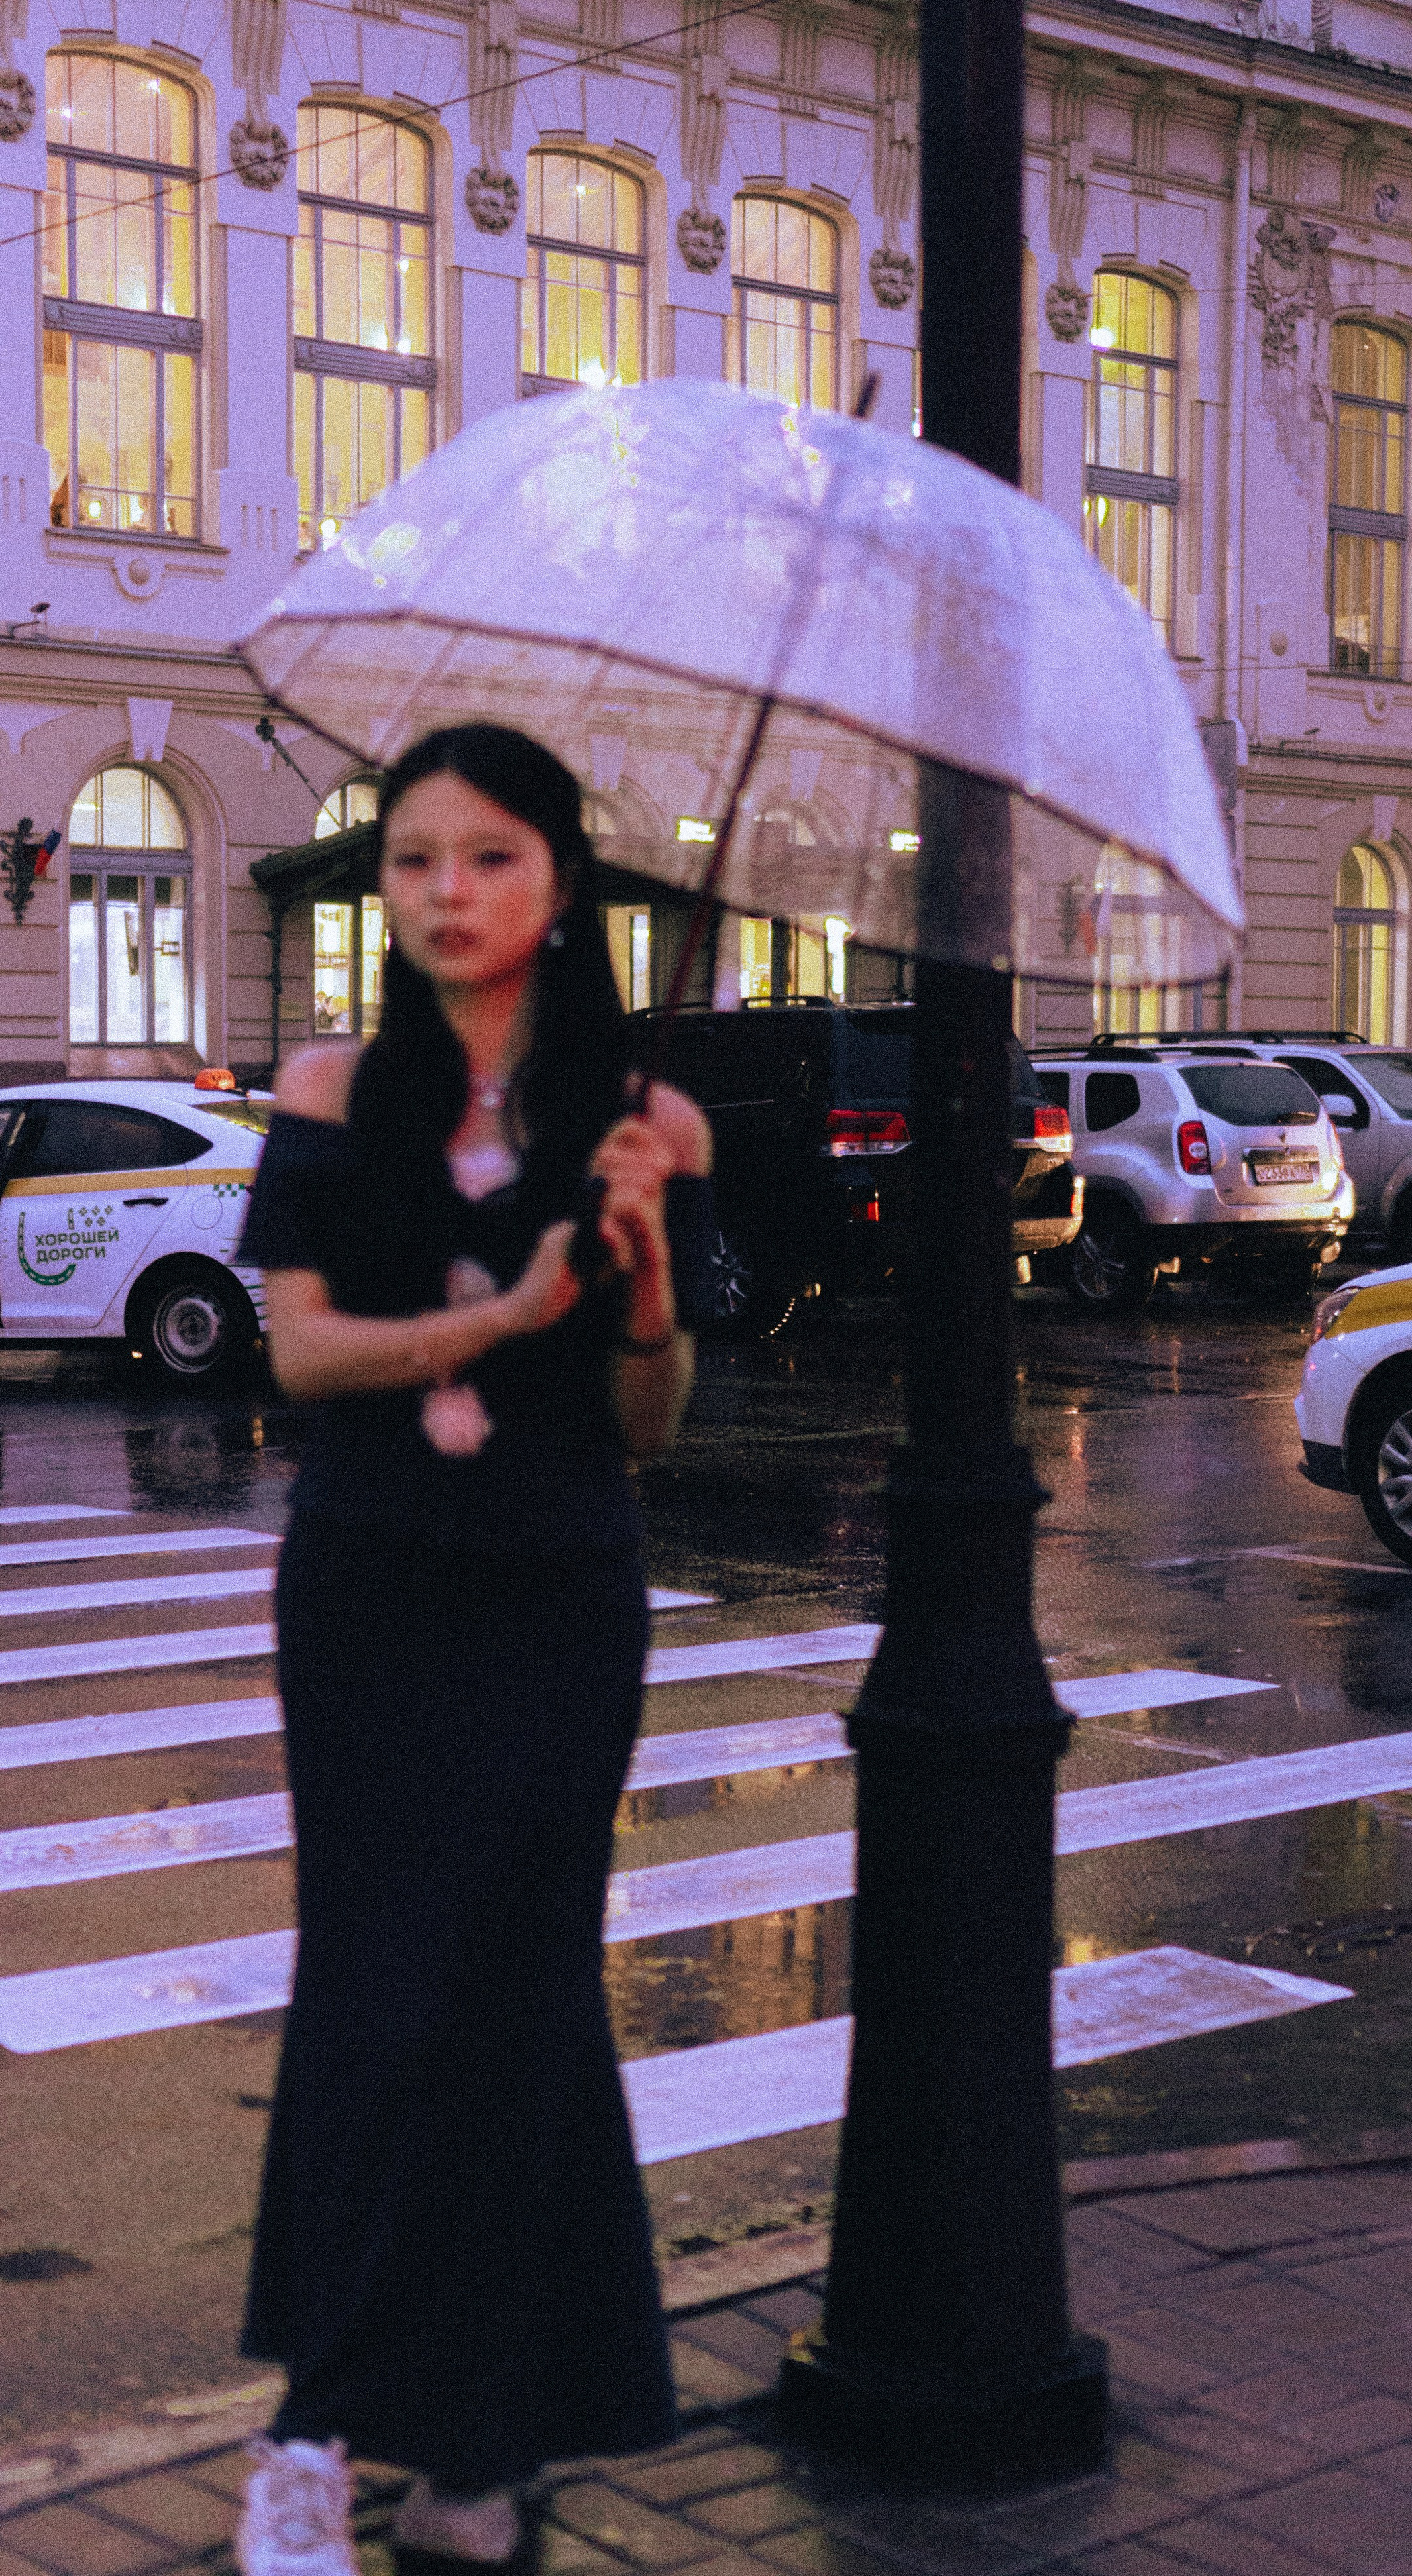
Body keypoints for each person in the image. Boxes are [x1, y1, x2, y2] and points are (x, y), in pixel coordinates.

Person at [231, 724, 714, 2576]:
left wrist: (643, 1285)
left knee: (517, 2000)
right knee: (374, 1988)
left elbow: (648, 1427)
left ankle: (484, 2442)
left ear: (562, 887)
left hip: (556, 1590)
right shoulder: (331, 1089)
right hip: (369, 1585)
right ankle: (314, 2422)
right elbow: (299, 1353)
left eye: (489, 855)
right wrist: (500, 1315)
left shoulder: (649, 1124)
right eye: (413, 857)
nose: (446, 891)